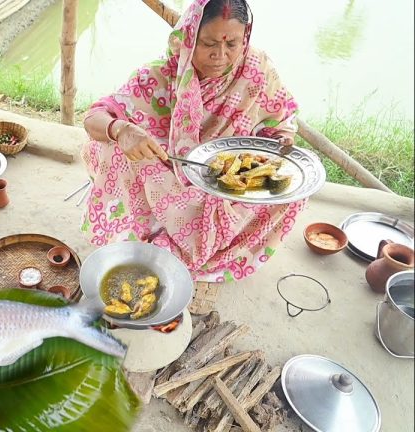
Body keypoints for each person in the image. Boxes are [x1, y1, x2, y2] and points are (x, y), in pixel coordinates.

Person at [80, 0, 305, 283]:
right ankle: (148, 234)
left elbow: (281, 119)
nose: (220, 56)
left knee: (292, 188)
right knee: (112, 151)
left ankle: (211, 253)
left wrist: (281, 140)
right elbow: (93, 118)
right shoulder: (160, 75)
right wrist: (120, 129)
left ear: (245, 38)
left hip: (231, 178)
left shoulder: (256, 68)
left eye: (232, 44)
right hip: (169, 174)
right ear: (189, 36)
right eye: (209, 43)